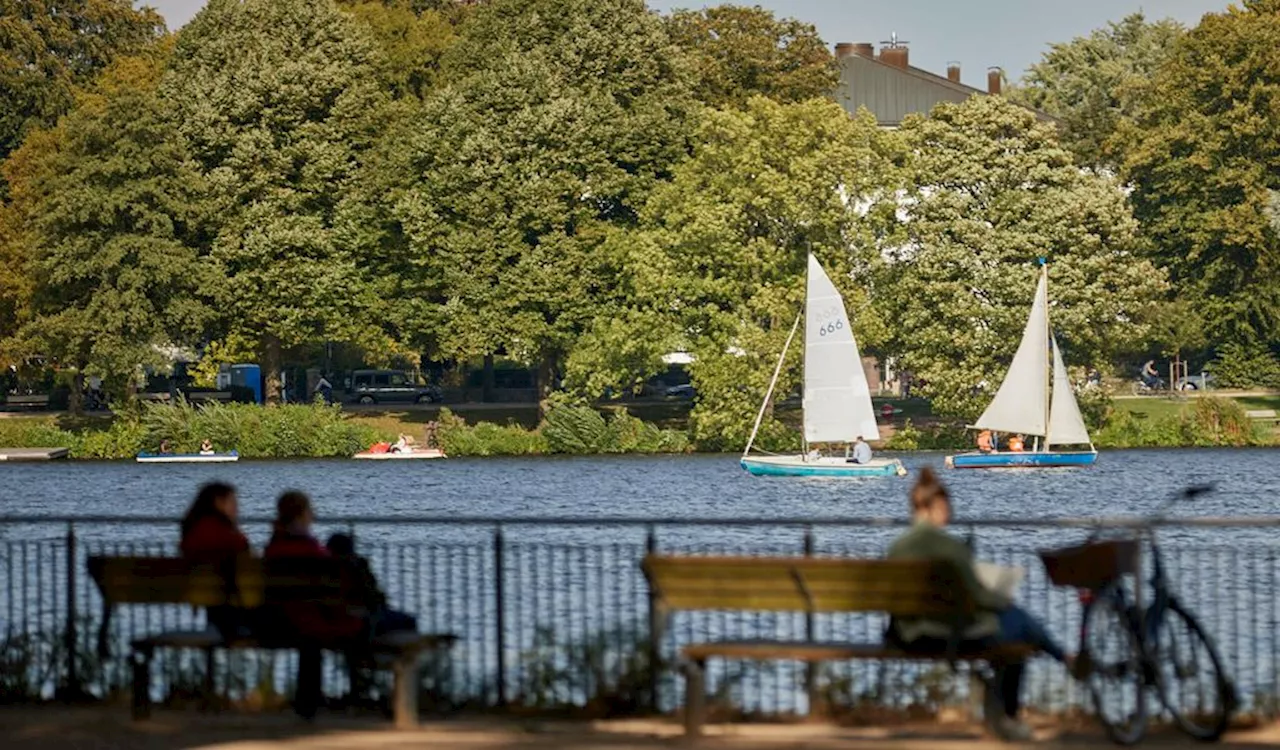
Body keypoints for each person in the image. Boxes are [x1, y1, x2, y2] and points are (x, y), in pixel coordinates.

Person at [887, 468, 1080, 741]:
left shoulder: (897, 548)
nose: (949, 514)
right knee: (1016, 632)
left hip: (908, 635)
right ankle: (1014, 709)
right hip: (952, 636)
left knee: (1014, 623)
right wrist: (1001, 598)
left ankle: (1058, 660)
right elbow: (975, 596)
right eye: (947, 508)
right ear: (937, 506)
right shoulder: (950, 548)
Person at [264, 491, 366, 720]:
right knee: (367, 623)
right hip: (311, 622)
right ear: (301, 515)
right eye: (310, 511)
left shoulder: (273, 549)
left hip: (278, 621)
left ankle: (314, 699)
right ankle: (358, 693)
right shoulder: (310, 551)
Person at [179, 482, 252, 638]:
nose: (237, 507)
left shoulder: (192, 534)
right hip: (235, 606)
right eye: (232, 502)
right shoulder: (230, 537)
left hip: (209, 605)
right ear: (219, 503)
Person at [325, 533, 417, 636]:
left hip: (336, 621)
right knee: (409, 622)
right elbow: (372, 597)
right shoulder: (354, 568)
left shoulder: (323, 570)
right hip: (363, 620)